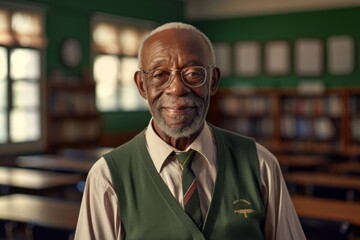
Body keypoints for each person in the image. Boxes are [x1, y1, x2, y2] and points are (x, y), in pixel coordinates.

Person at [74, 22, 306, 240]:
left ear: (213, 81)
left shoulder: (260, 164)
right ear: (142, 86)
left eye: (193, 73)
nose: (176, 88)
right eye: (159, 75)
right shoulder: (107, 179)